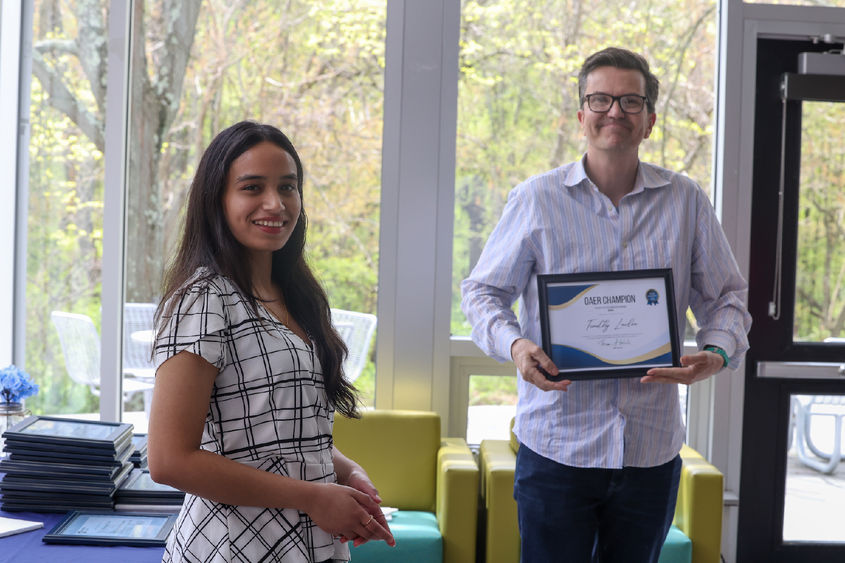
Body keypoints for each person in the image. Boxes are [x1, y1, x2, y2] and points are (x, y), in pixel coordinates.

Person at [461, 47, 751, 562]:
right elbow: (483, 292)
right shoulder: (535, 198)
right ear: (581, 115)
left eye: (630, 101)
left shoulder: (686, 200)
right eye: (600, 99)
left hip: (651, 451)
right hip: (557, 447)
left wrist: (718, 352)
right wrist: (517, 344)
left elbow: (727, 297)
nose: (614, 111)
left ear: (651, 120)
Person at [147, 120, 394, 563]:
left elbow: (276, 433)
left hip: (306, 545)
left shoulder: (294, 295)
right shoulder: (205, 299)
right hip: (234, 548)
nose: (275, 203)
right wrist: (313, 498)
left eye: (288, 187)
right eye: (252, 187)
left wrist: (345, 471)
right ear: (216, 200)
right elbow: (169, 460)